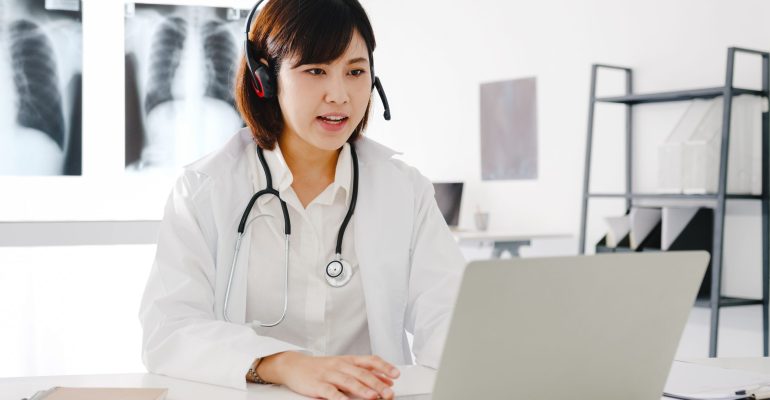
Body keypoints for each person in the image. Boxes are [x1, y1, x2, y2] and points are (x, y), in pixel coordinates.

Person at [138, 0, 464, 399]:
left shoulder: (404, 190)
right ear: (266, 79)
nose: (340, 95)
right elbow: (169, 329)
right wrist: (286, 364)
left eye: (356, 72)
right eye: (315, 71)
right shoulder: (206, 189)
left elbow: (450, 316)